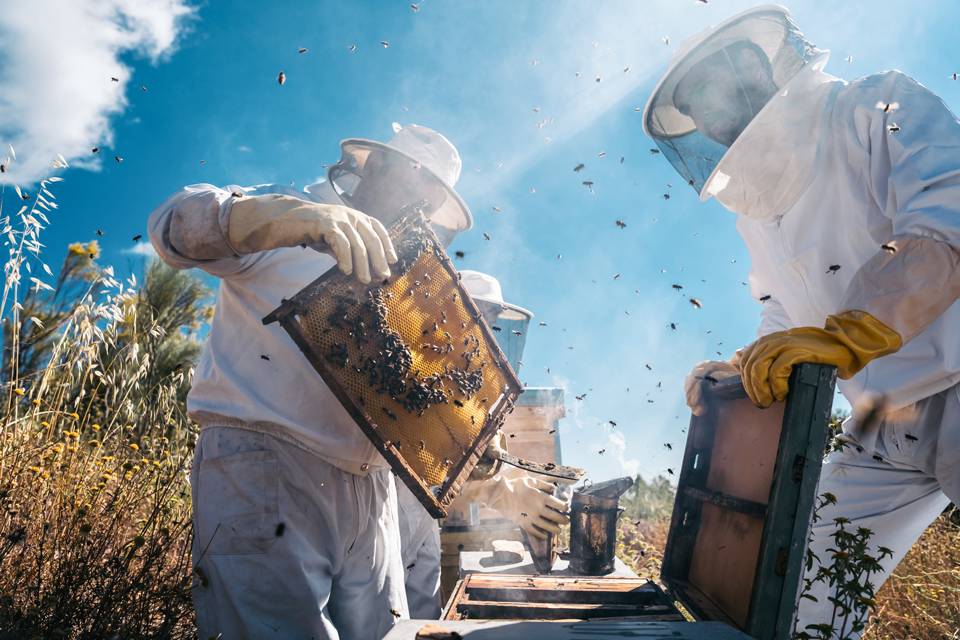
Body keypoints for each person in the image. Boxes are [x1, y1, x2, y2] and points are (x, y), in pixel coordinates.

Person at [644, 5, 960, 638]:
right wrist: (742, 371)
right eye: (696, 108)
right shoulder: (755, 215)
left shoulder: (875, 107)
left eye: (712, 88)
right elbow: (785, 316)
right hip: (878, 426)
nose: (710, 114)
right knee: (795, 591)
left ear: (755, 64)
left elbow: (945, 224)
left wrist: (851, 331)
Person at [148, 124, 473, 640]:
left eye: (433, 196)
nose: (423, 202)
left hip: (373, 487)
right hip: (267, 466)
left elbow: (422, 390)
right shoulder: (295, 208)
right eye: (417, 181)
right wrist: (302, 220)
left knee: (389, 636)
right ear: (376, 166)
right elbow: (175, 226)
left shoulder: (413, 279)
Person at [396, 270, 570, 619]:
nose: (485, 328)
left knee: (421, 620)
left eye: (491, 320)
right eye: (481, 316)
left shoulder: (469, 380)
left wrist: (516, 483)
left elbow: (475, 460)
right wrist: (502, 492)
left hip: (427, 518)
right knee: (380, 624)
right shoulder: (415, 364)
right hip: (393, 507)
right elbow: (425, 458)